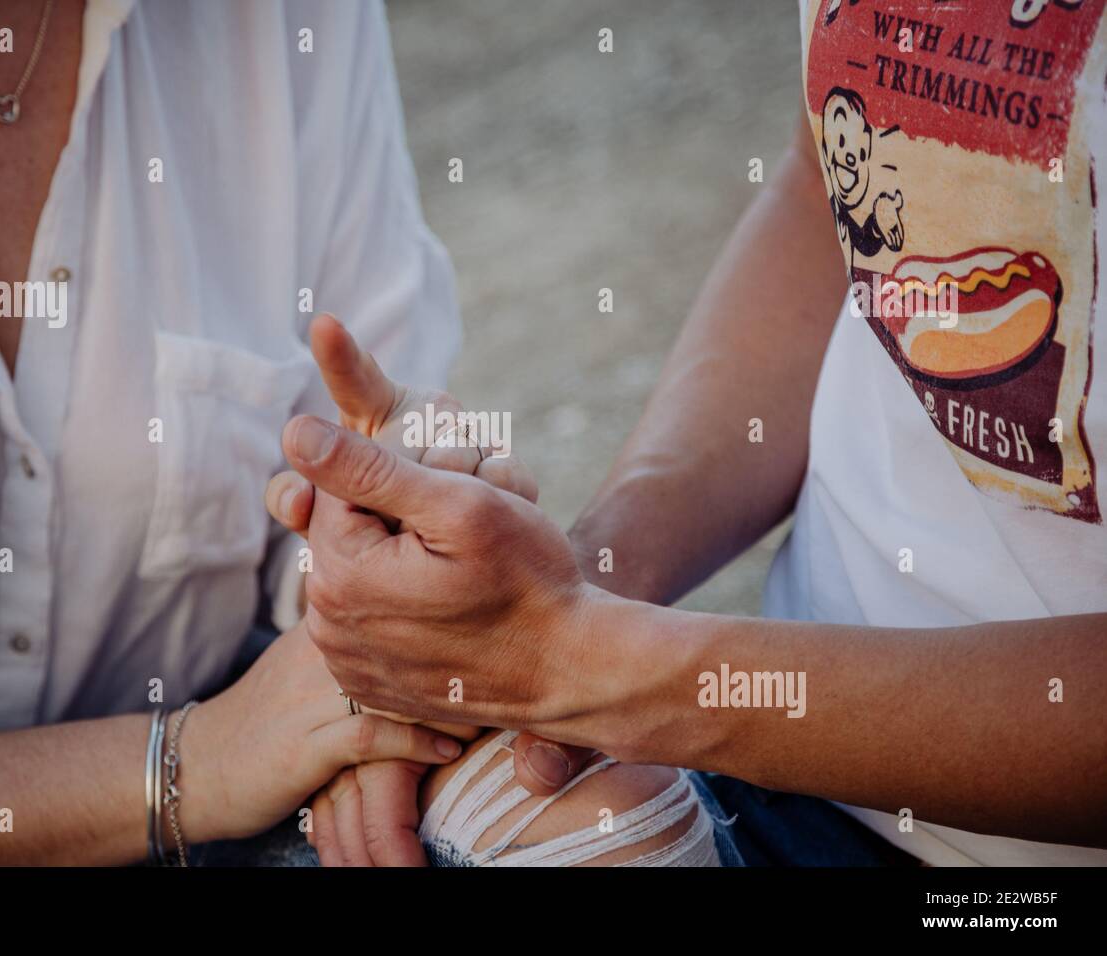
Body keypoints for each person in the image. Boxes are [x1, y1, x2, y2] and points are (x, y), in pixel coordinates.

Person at [0, 0, 726, 868]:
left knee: (611, 818)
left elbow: (373, 411)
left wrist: (380, 589)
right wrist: (189, 766)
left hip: (250, 724)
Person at [271, 0, 1107, 866]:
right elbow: (826, 191)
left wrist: (607, 672)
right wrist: (566, 591)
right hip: (790, 764)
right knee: (502, 796)